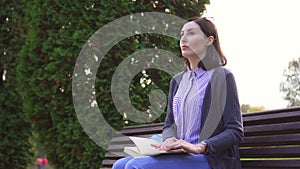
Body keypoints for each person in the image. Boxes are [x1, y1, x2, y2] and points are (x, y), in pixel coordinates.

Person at [112, 17, 243, 169]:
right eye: (182, 34)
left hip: (208, 158)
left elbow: (235, 131)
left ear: (209, 40)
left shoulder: (222, 77)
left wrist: (201, 146)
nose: (183, 39)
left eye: (191, 33)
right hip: (179, 154)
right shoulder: (178, 80)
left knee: (136, 166)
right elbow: (169, 125)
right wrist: (169, 139)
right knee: (119, 165)